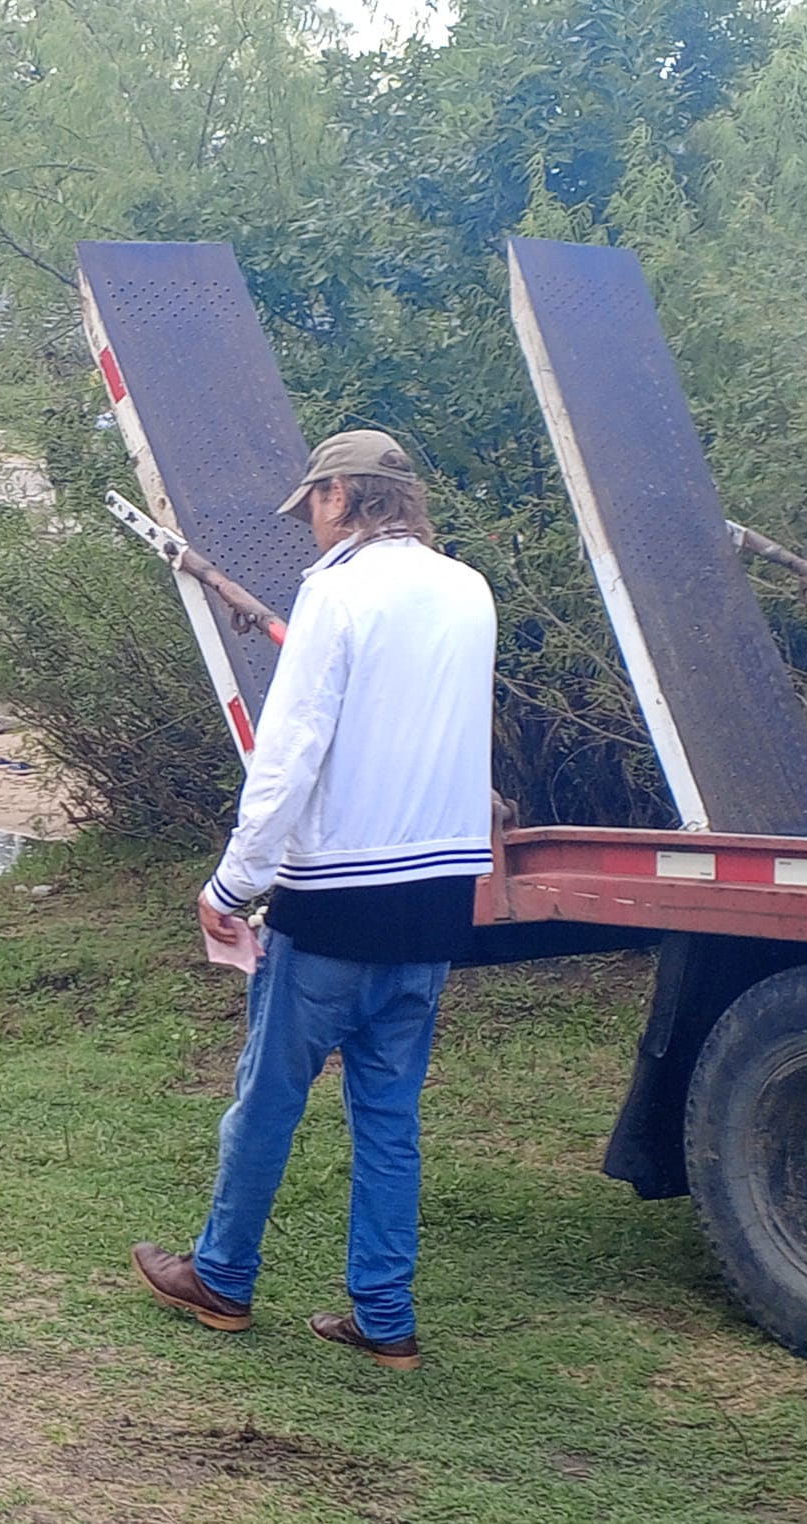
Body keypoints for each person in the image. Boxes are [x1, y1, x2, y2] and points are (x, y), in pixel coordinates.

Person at [130, 430, 497, 1373]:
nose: (310, 526)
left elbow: (288, 753)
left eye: (315, 505)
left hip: (335, 897)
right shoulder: (468, 590)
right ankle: (385, 1315)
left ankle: (222, 1276)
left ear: (340, 495)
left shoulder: (335, 592)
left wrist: (231, 884)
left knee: (266, 1100)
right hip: (438, 896)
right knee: (389, 1118)